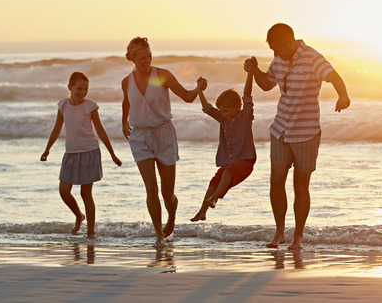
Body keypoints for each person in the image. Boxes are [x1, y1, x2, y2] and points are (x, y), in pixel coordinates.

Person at [244, 23, 350, 250]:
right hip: (280, 129)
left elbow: (333, 76)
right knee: (276, 181)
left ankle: (298, 237)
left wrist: (343, 95)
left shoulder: (313, 58)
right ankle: (280, 232)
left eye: (277, 49)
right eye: (272, 50)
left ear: (290, 42)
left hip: (306, 133)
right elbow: (265, 85)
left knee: (300, 187)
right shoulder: (279, 60)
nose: (275, 54)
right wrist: (254, 71)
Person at [121, 37, 205, 247]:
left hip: (164, 134)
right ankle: (158, 235)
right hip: (139, 137)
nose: (147, 60)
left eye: (149, 55)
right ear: (132, 58)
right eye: (142, 57)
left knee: (168, 194)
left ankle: (172, 218)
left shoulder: (162, 75)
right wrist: (124, 120)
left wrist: (198, 88)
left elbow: (187, 97)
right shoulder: (126, 81)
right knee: (151, 188)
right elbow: (127, 101)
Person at [41, 71, 122, 238]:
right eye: (79, 88)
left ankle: (91, 233)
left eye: (86, 89)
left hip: (89, 152)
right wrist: (47, 149)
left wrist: (112, 154)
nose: (83, 93)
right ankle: (79, 215)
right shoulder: (63, 105)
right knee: (64, 191)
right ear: (69, 88)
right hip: (70, 154)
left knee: (86, 194)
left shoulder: (90, 106)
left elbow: (100, 130)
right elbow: (57, 129)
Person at [191, 70, 257, 222]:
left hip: (246, 161)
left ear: (236, 107)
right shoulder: (222, 118)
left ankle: (214, 200)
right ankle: (202, 212)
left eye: (226, 111)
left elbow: (247, 94)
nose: (224, 114)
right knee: (214, 181)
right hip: (231, 162)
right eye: (221, 111)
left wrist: (249, 73)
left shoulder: (245, 116)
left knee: (226, 173)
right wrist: (199, 90)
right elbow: (206, 108)